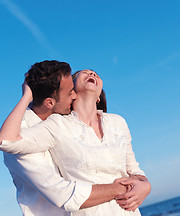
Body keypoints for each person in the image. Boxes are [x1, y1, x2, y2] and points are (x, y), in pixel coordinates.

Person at [0, 63, 151, 215]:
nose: (92, 73)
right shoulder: (56, 125)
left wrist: (145, 185)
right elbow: (63, 194)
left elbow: (134, 170)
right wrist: (127, 188)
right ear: (72, 95)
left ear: (99, 97)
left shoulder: (117, 122)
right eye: (83, 74)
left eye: (95, 73)